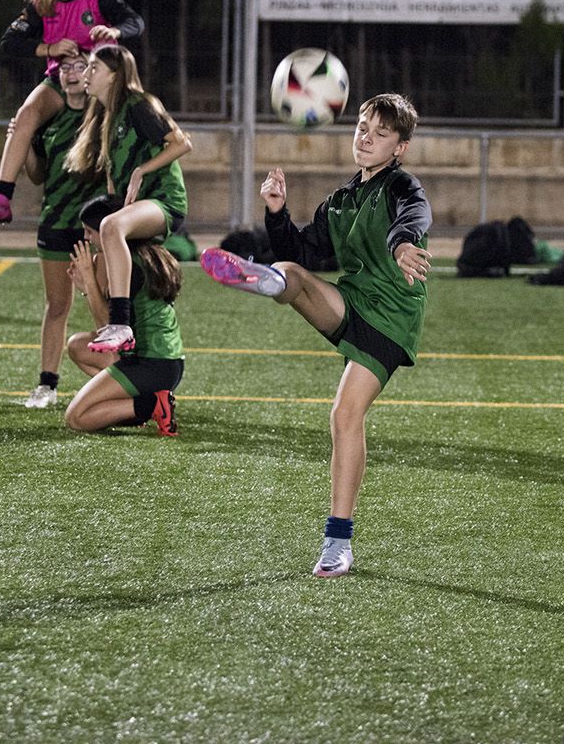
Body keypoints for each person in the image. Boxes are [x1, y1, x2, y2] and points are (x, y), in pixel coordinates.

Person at [200, 93, 431, 579]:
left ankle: (338, 543)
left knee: (345, 415)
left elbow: (415, 215)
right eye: (363, 127)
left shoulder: (402, 186)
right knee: (292, 269)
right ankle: (268, 279)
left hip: (391, 317)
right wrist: (278, 213)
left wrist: (403, 242)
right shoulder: (342, 201)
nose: (366, 137)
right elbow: (306, 249)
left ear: (400, 149)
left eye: (381, 133)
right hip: (352, 302)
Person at [0, 0, 144, 225]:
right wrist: (49, 48)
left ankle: (127, 203)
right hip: (60, 80)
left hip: (97, 82)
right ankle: (1, 198)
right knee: (25, 115)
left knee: (117, 137)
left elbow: (135, 23)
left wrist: (114, 32)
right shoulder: (41, 3)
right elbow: (9, 41)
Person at [62, 45, 192, 355]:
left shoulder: (139, 104)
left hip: (164, 202)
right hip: (135, 207)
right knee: (103, 245)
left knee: (110, 227)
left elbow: (182, 144)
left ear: (115, 75)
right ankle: (119, 334)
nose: (86, 73)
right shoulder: (109, 116)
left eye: (94, 68)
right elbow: (111, 181)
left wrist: (140, 172)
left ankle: (121, 324)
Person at [16, 54, 103, 408]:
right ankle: (47, 385)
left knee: (106, 303)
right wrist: (22, 146)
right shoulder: (48, 120)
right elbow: (37, 175)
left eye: (79, 65)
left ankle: (123, 374)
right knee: (57, 305)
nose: (70, 72)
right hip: (55, 222)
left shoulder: (100, 118)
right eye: (63, 67)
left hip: (93, 228)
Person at [60, 195, 183, 436]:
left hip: (151, 363)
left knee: (77, 418)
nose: (86, 238)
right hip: (161, 360)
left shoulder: (130, 268)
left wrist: (89, 284)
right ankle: (137, 405)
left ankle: (151, 406)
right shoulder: (138, 255)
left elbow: (107, 327)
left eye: (89, 231)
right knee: (77, 345)